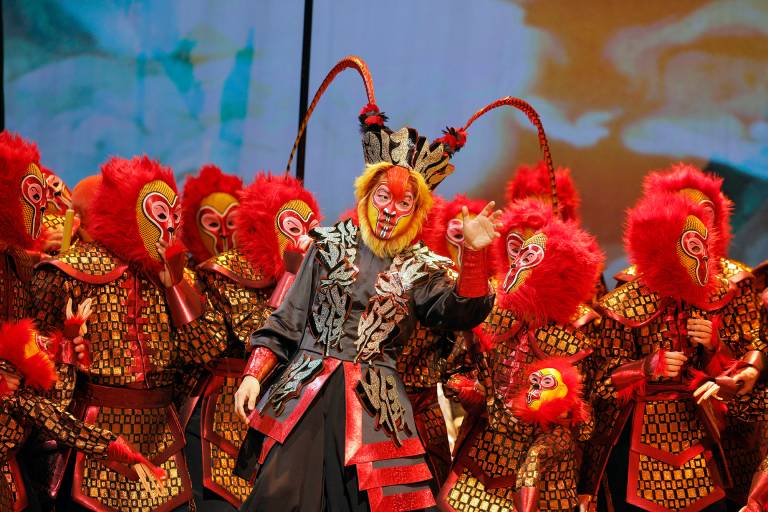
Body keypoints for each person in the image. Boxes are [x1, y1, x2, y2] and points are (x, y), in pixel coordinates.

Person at [232, 55, 497, 511]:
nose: (391, 209)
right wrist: (255, 373)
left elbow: (463, 310)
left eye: (405, 202)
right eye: (383, 196)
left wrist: (473, 256)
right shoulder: (329, 244)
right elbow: (287, 320)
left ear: (417, 210)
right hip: (305, 394)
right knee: (280, 498)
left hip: (376, 408)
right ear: (366, 195)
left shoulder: (422, 267)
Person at [31, 155, 228, 511]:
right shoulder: (69, 272)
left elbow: (207, 348)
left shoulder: (176, 274)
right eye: (157, 215)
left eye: (172, 216)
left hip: (162, 437)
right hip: (96, 437)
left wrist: (176, 286)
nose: (166, 228)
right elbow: (41, 374)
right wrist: (64, 352)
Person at [583, 190, 762, 511]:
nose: (701, 258)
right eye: (690, 246)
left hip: (702, 427)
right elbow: (599, 387)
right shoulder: (621, 304)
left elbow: (748, 359)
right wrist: (645, 367)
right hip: (638, 429)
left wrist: (714, 345)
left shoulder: (723, 291)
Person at [440, 197, 603, 512]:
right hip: (485, 453)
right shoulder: (492, 309)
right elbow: (454, 368)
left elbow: (589, 421)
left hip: (548, 470)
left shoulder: (578, 330)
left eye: (532, 260)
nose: (520, 267)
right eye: (519, 255)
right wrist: (467, 388)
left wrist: (565, 411)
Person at [190, 172, 320, 508]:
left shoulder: (322, 280)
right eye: (293, 228)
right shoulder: (221, 273)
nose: (303, 239)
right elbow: (249, 336)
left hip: (287, 411)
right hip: (225, 407)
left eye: (310, 229)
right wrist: (291, 281)